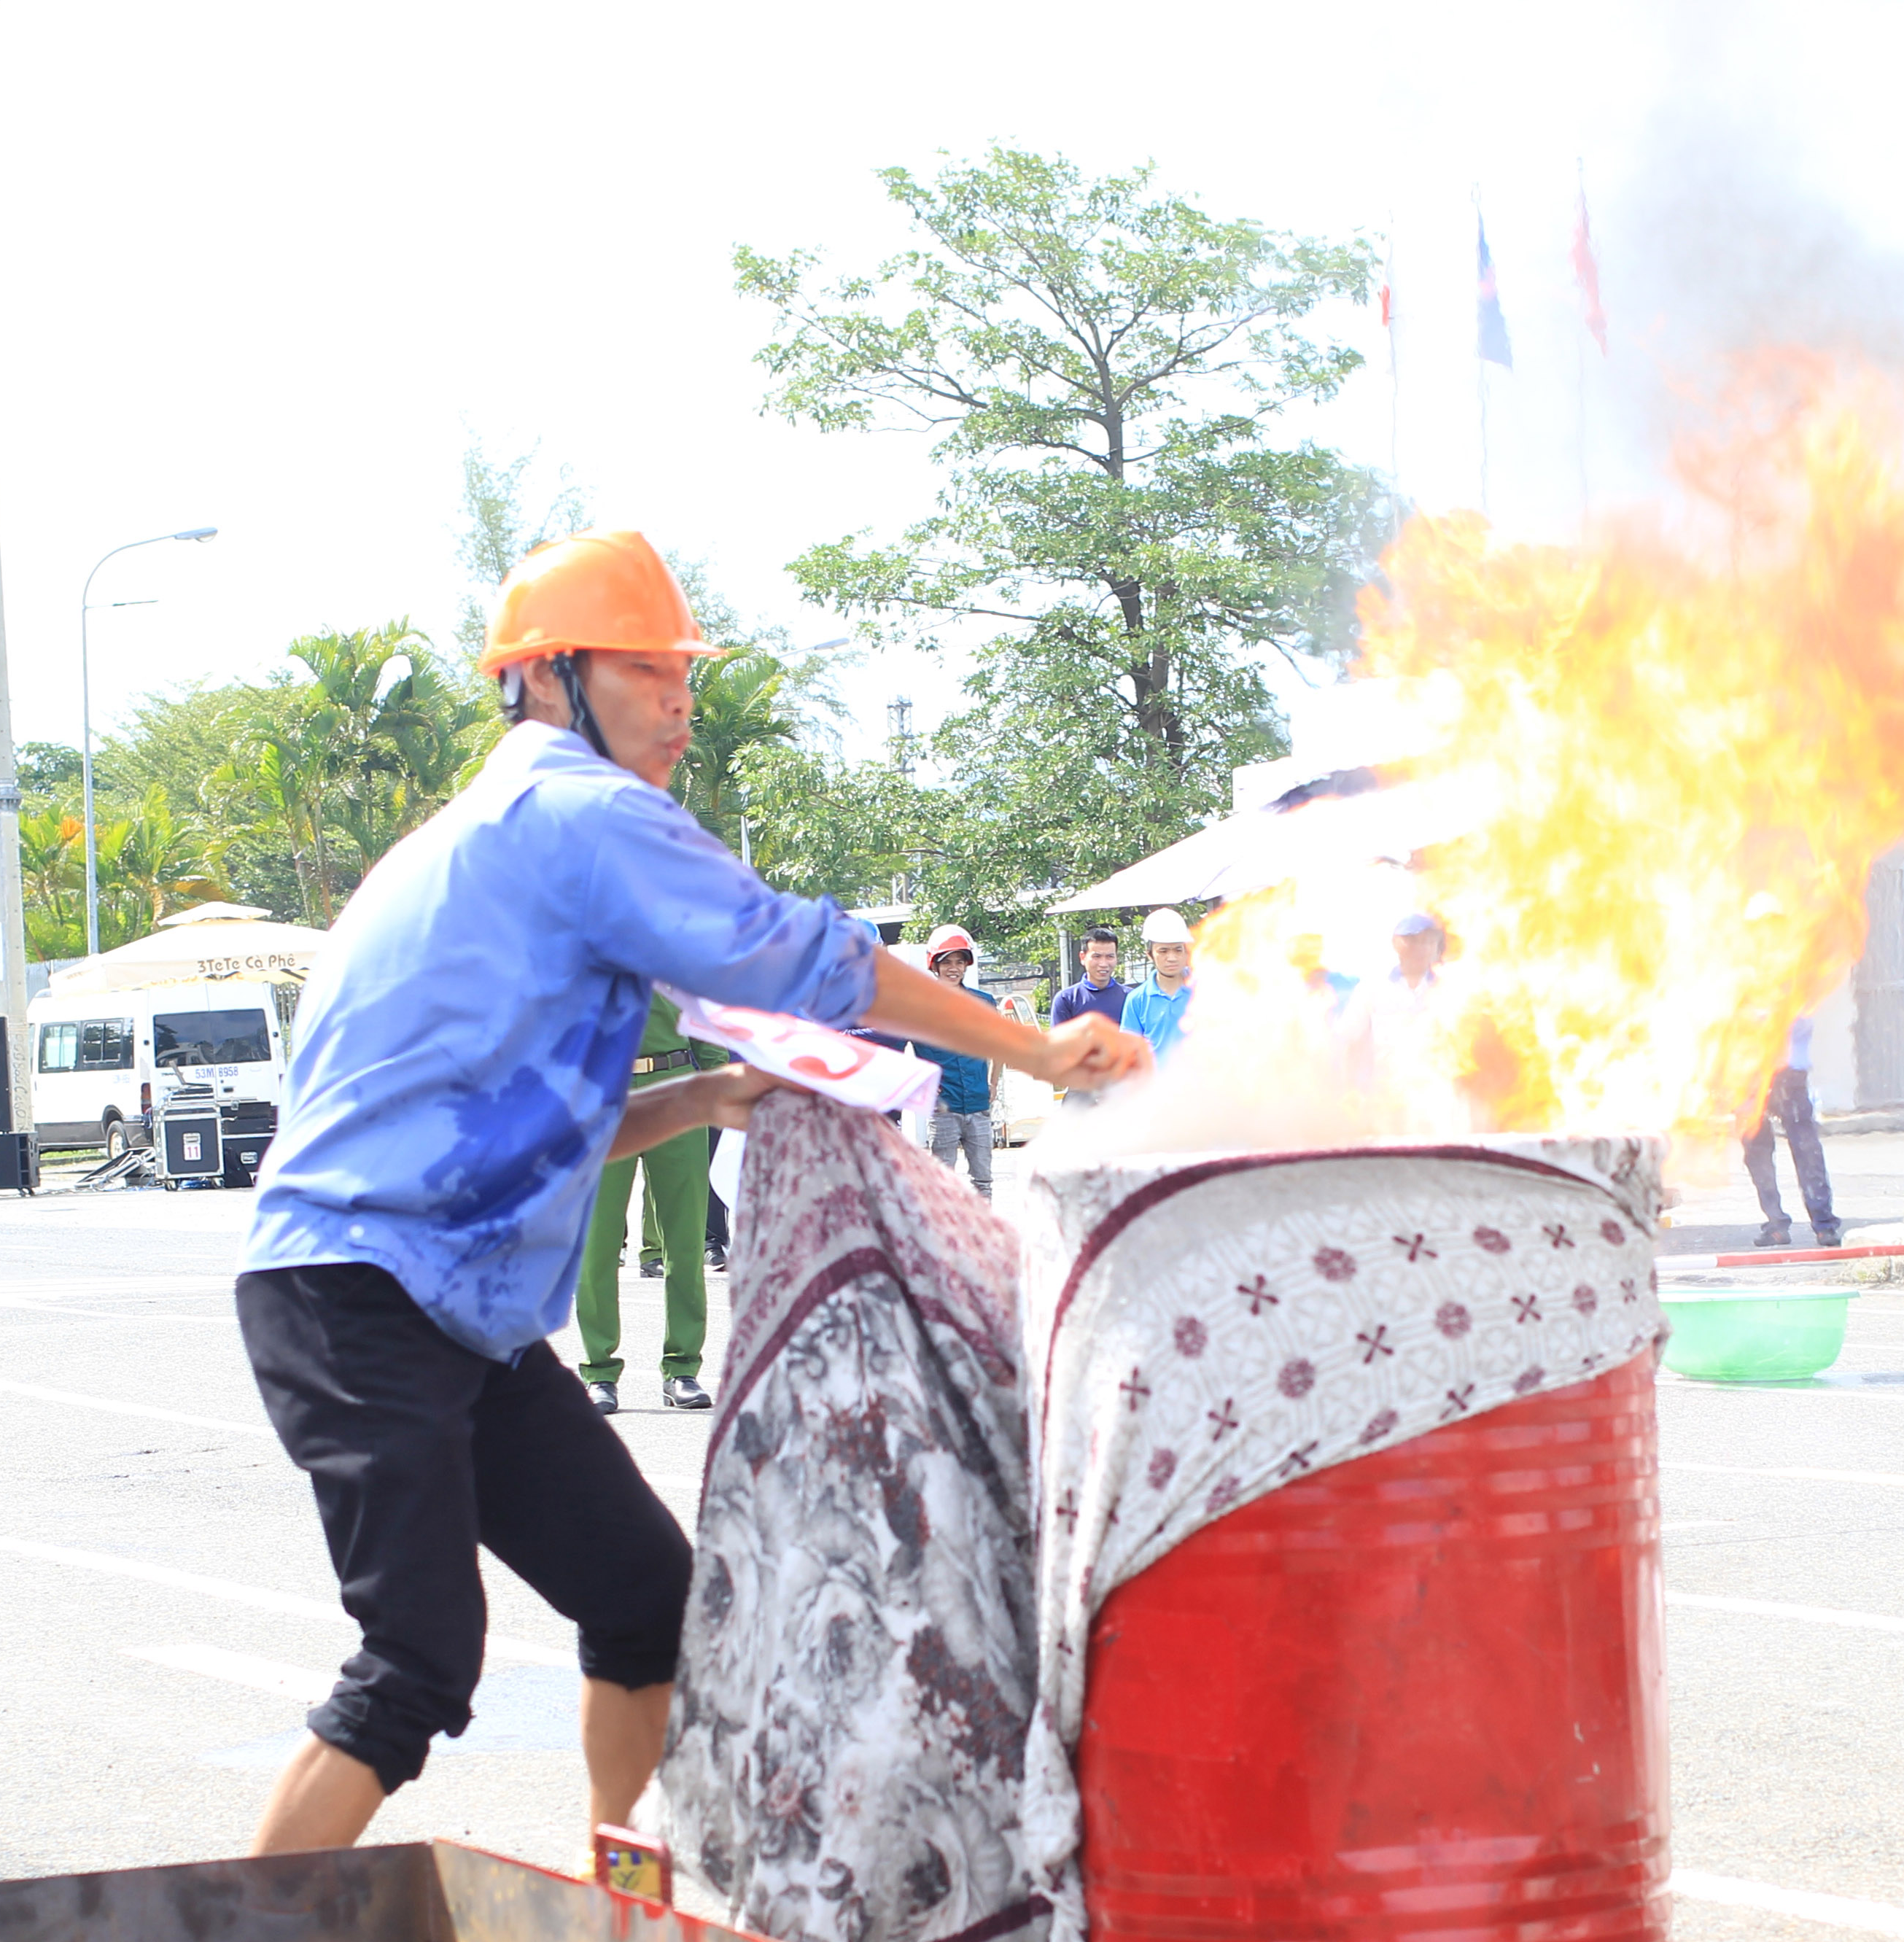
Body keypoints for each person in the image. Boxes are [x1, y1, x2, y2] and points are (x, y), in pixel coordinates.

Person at [232, 528, 1146, 1858]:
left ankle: (616, 1910)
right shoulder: (572, 814)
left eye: (686, 676)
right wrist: (1033, 1047)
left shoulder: (500, 831)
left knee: (645, 1596)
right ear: (547, 679)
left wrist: (704, 1102)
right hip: (359, 1296)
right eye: (648, 670)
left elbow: (510, 1124)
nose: (679, 703)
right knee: (418, 1659)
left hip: (437, 1304)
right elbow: (798, 955)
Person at [575, 992, 719, 1411]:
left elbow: (705, 1023)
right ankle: (599, 1371)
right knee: (597, 1246)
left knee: (685, 1243)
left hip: (675, 1090)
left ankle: (682, 1369)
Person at [911, 925, 999, 1196]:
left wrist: (993, 1083)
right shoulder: (917, 1005)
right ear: (933, 965)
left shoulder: (984, 1003)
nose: (953, 968)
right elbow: (900, 1048)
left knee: (983, 1181)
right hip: (943, 1107)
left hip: (977, 1103)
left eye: (960, 962)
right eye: (946, 962)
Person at [1739, 1014, 1841, 1249]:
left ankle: (1816, 1225)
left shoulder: (1791, 996)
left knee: (1800, 1150)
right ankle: (1802, 1225)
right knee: (1767, 1152)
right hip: (1758, 1077)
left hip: (1775, 1076)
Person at [1050, 928, 1130, 1111]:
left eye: (1110, 956)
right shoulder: (1066, 999)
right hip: (1081, 1095)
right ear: (1082, 957)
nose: (1104, 963)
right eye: (1097, 956)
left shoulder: (1131, 999)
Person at [1121, 906, 1194, 1057]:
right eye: (1163, 951)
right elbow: (1128, 1052)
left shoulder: (1205, 989)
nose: (1172, 958)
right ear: (1149, 954)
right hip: (1156, 1080)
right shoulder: (1137, 1000)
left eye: (1178, 950)